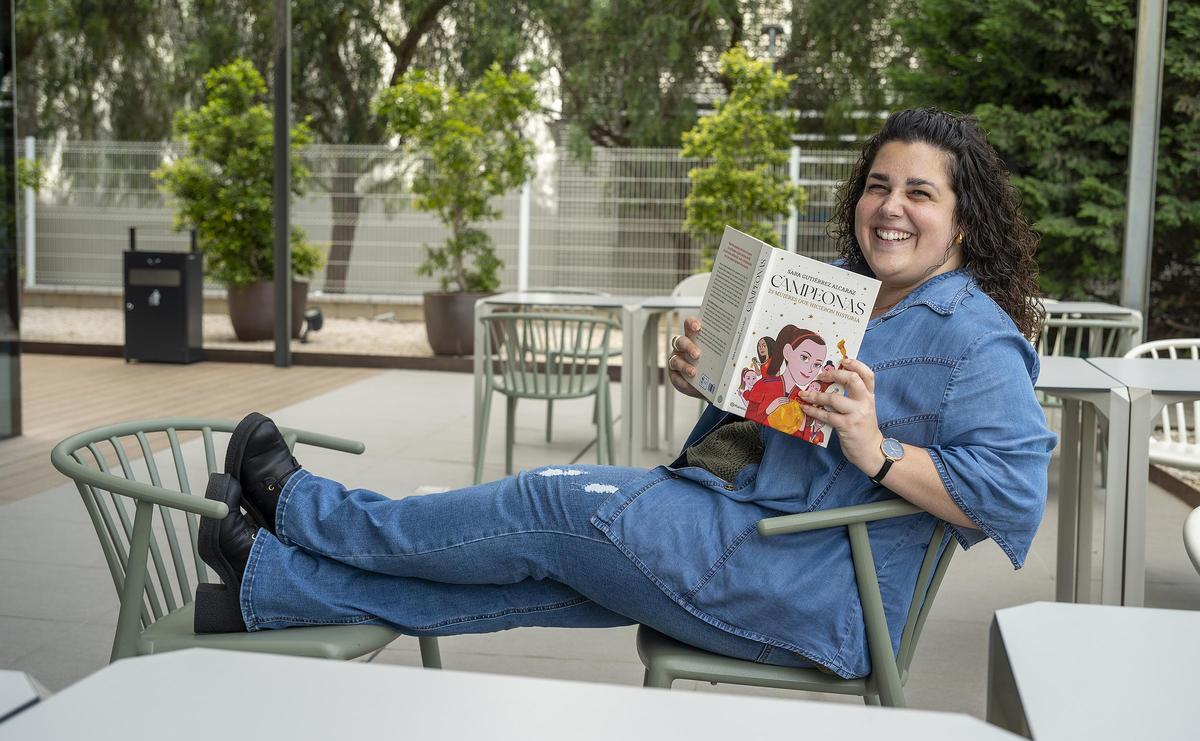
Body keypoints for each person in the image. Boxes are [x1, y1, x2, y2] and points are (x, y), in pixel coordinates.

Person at [196, 108, 1055, 680]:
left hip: (805, 581)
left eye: (919, 192)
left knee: (547, 503)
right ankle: (264, 588)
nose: (889, 207)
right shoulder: (834, 283)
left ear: (963, 219)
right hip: (726, 523)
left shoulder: (974, 337)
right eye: (877, 184)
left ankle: (304, 509)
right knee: (533, 565)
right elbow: (766, 426)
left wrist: (879, 448)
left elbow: (1008, 501)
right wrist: (710, 377)